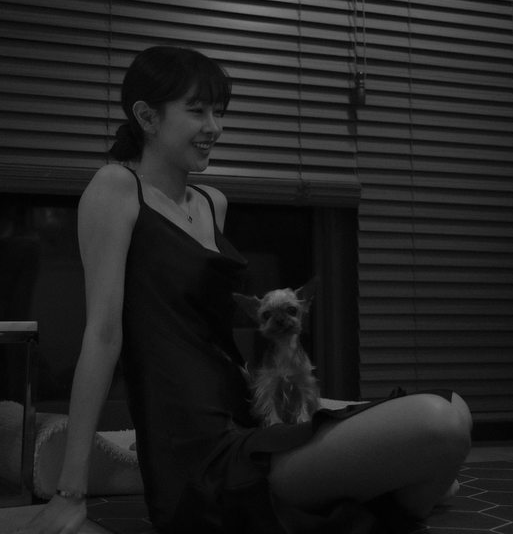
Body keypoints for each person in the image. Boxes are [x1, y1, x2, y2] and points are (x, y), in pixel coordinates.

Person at [19, 45, 472, 534]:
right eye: (197, 111)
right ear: (147, 117)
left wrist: (287, 388)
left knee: (457, 413)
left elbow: (212, 331)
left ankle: (365, 499)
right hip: (198, 454)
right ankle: (377, 497)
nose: (214, 127)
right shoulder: (115, 188)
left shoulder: (211, 202)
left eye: (219, 112)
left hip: (250, 418)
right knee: (436, 423)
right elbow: (103, 336)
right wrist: (70, 493)